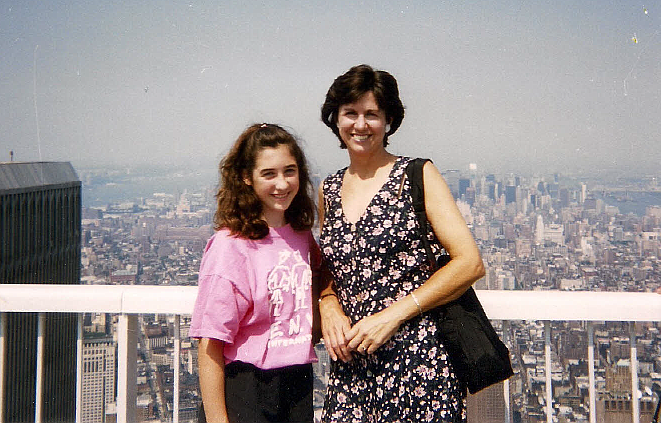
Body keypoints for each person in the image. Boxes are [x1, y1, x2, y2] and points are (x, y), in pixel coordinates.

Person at [317, 64, 486, 422]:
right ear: (336, 118)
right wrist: (328, 303)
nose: (360, 125)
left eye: (372, 114)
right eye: (350, 113)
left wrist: (393, 315)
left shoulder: (416, 174)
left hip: (419, 362)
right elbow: (330, 270)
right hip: (352, 368)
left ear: (389, 120)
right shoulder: (328, 190)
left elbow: (469, 263)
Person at [190, 123, 320, 423]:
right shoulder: (230, 246)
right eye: (269, 174)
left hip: (297, 382)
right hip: (247, 387)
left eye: (290, 171)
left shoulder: (300, 236)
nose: (282, 183)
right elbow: (210, 344)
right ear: (246, 178)